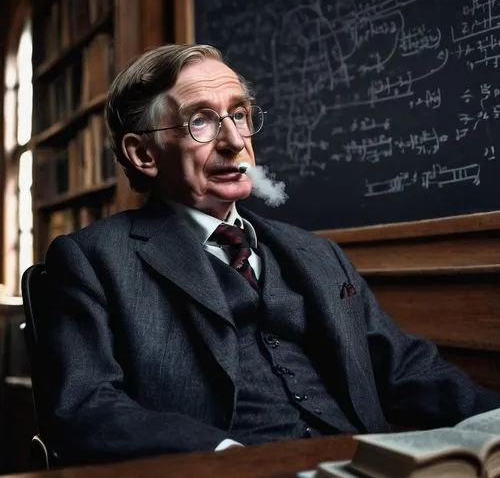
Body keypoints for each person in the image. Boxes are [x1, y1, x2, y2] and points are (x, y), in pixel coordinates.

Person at [44, 44, 500, 465]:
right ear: (143, 154)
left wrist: (492, 423)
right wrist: (224, 456)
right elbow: (86, 406)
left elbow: (406, 369)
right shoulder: (92, 260)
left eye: (238, 115)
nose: (233, 141)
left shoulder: (317, 254)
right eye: (200, 121)